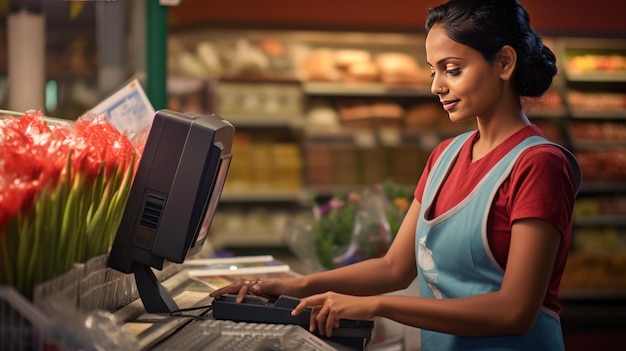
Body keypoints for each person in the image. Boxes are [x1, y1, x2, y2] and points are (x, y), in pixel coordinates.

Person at [210, 0, 582, 349]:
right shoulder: (445, 156)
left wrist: (377, 306)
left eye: (452, 69)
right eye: (433, 71)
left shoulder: (538, 164)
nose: (436, 86)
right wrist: (294, 285)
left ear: (504, 63)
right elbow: (394, 267)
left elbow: (514, 312)